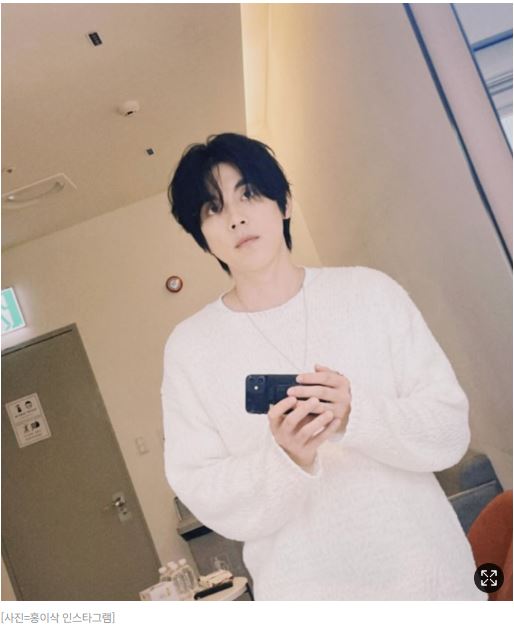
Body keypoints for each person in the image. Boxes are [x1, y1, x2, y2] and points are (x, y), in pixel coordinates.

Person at [161, 132, 485, 601]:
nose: (236, 217)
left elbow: (449, 430)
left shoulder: (369, 293)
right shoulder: (190, 348)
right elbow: (203, 488)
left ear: (285, 203)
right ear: (203, 236)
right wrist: (286, 459)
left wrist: (357, 414)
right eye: (213, 208)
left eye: (249, 194)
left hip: (430, 579)